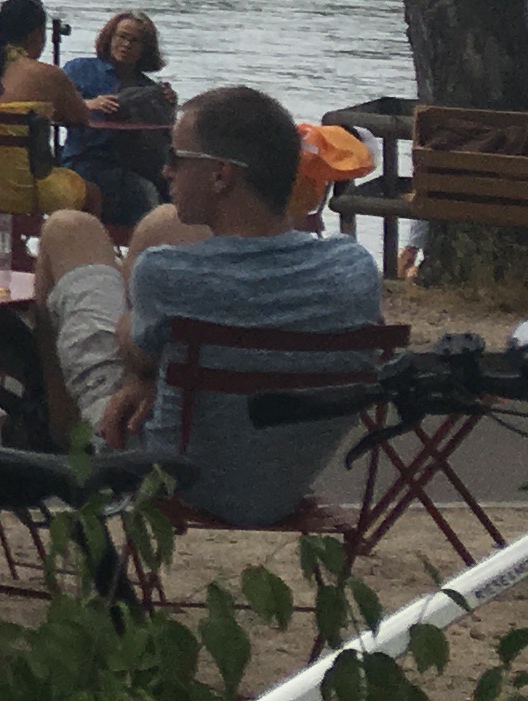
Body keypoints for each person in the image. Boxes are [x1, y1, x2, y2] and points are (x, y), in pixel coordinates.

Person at [93, 84, 387, 527]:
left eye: (176, 158)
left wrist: (145, 367)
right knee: (160, 230)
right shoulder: (354, 266)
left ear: (221, 176)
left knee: (69, 232)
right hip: (284, 482)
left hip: (168, 474)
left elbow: (137, 354)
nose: (165, 170)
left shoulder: (165, 272)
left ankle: (64, 459)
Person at [0, 0, 97, 222]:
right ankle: (71, 244)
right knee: (92, 193)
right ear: (36, 34)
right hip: (22, 192)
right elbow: (80, 118)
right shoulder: (48, 74)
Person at [58, 11, 177, 231]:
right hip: (87, 161)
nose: (126, 45)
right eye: (122, 37)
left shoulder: (148, 88)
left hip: (133, 164)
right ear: (110, 37)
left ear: (145, 48)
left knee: (175, 191)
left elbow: (163, 137)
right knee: (143, 192)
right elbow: (53, 105)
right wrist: (87, 105)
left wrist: (166, 106)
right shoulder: (80, 69)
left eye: (135, 40)